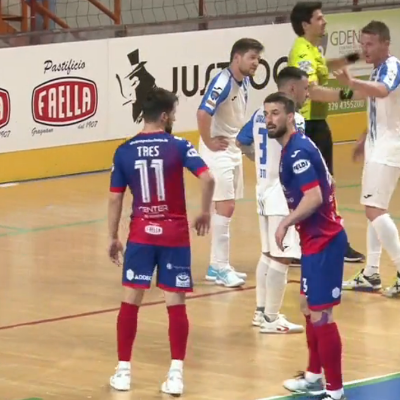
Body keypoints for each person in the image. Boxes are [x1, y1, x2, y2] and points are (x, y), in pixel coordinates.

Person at [107, 87, 215, 395]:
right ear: (165, 116)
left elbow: (115, 199)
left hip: (141, 234)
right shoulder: (179, 145)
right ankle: (176, 374)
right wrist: (204, 212)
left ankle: (124, 371)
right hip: (174, 234)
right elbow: (208, 178)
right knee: (175, 303)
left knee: (131, 301)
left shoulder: (124, 150)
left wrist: (113, 236)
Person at [263, 92, 347, 400]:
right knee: (307, 307)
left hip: (325, 241)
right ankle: (313, 376)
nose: (269, 119)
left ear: (290, 116)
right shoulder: (296, 146)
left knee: (321, 314)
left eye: (275, 113)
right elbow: (329, 183)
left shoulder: (297, 152)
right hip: (314, 239)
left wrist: (285, 222)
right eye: (266, 114)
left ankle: (335, 391)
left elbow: (314, 197)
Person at [335, 21, 400, 296]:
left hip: (389, 149)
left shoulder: (392, 67)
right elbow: (382, 107)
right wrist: (364, 137)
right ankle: (371, 273)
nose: (365, 49)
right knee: (374, 209)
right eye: (362, 44)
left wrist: (351, 82)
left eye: (370, 44)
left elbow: (382, 91)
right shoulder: (378, 69)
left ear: (386, 43)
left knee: (375, 210)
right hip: (378, 147)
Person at [289, 1, 365, 264]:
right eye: (319, 18)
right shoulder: (301, 52)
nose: (325, 22)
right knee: (319, 186)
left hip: (317, 123)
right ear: (305, 24)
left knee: (321, 185)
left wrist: (351, 59)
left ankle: (316, 241)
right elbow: (312, 91)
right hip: (310, 125)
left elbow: (324, 66)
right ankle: (330, 243)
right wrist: (349, 94)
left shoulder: (311, 49)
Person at [236, 66, 309, 334]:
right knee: (282, 257)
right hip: (282, 194)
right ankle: (271, 318)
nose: (308, 93)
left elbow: (241, 140)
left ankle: (261, 312)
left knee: (268, 254)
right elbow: (298, 155)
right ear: (292, 89)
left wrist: (258, 159)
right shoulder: (295, 120)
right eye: (305, 88)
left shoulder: (259, 114)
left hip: (263, 191)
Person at [197, 38, 265, 288]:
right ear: (237, 58)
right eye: (252, 57)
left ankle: (217, 265)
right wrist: (209, 141)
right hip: (219, 152)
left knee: (226, 207)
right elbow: (202, 112)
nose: (256, 63)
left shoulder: (243, 80)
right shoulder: (223, 82)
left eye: (258, 58)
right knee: (225, 207)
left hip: (231, 149)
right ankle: (220, 266)